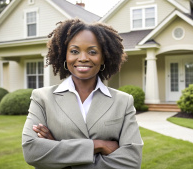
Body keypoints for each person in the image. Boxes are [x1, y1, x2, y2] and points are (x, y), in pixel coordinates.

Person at [22, 18, 143, 169]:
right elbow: (32, 151)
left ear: (103, 57)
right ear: (64, 55)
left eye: (92, 51)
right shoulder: (42, 98)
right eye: (74, 51)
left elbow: (131, 161)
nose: (83, 58)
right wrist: (98, 145)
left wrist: (57, 148)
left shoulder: (123, 101)